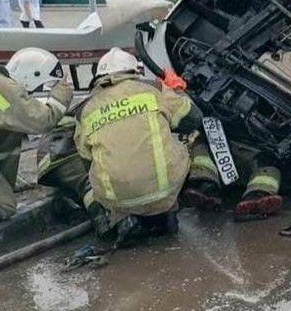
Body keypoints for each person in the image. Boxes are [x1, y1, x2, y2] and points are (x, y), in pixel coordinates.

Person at [74, 48, 204, 242]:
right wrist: (176, 90)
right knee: (187, 139)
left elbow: (86, 158)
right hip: (165, 190)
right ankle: (168, 209)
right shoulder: (154, 89)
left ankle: (122, 218)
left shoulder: (84, 110)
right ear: (134, 71)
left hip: (117, 199)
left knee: (100, 164)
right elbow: (194, 118)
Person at [0, 47, 74, 225]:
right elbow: (43, 121)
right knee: (5, 205)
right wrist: (62, 92)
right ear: (32, 75)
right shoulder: (7, 88)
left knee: (10, 134)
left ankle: (1, 186)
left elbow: (8, 136)